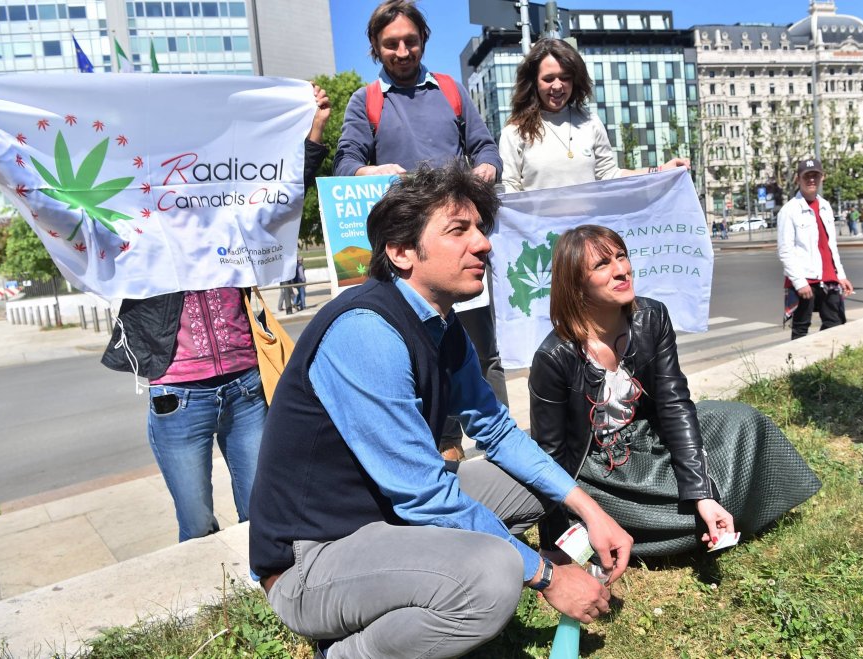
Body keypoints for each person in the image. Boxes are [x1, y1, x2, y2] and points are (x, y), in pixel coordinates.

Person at [249, 163, 633, 658]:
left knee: (536, 482)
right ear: (401, 251)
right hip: (312, 560)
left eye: (481, 228)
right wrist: (546, 575)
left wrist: (589, 509)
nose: (483, 244)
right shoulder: (366, 330)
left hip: (383, 521)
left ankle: (425, 591)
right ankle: (348, 653)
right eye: (459, 230)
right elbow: (424, 495)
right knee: (494, 577)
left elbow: (496, 430)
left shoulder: (442, 327)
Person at [100, 87, 332, 542]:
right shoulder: (135, 222)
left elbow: (283, 197)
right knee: (197, 527)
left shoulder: (232, 210)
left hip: (247, 385)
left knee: (262, 515)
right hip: (178, 395)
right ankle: (218, 613)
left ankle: (262, 601)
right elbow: (68, 213)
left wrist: (314, 130)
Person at [528, 225, 821, 559]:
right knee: (670, 509)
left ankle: (711, 504)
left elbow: (674, 404)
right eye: (602, 265)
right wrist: (556, 546)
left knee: (744, 421)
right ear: (576, 286)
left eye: (621, 256)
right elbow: (550, 456)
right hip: (603, 467)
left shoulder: (652, 317)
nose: (621, 270)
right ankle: (684, 517)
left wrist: (701, 492)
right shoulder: (553, 357)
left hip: (650, 435)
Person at [333, 0, 506, 460]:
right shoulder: (364, 102)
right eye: (391, 44)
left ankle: (501, 450)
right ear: (375, 47)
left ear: (423, 41)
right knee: (424, 354)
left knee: (482, 352)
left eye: (411, 41)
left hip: (457, 244)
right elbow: (345, 162)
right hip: (410, 257)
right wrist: (363, 174)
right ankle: (443, 453)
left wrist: (485, 171)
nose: (403, 51)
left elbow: (486, 149)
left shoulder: (451, 90)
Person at [499, 38, 688, 193]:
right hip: (541, 236)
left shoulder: (591, 122)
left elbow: (609, 174)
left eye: (564, 77)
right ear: (534, 82)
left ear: (575, 79)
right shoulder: (514, 132)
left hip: (586, 234)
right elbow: (510, 190)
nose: (557, 86)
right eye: (548, 79)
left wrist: (661, 171)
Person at [777, 158, 854, 340]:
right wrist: (799, 282)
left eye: (815, 176)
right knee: (801, 328)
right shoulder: (789, 211)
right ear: (798, 179)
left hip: (829, 278)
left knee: (835, 323)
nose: (812, 180)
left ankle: (824, 361)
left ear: (822, 178)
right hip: (804, 279)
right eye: (807, 176)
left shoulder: (825, 206)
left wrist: (840, 275)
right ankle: (798, 365)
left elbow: (830, 245)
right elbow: (785, 250)